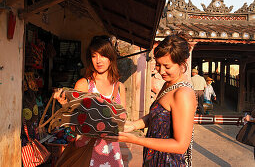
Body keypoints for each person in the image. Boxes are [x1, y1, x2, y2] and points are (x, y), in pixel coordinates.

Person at [105, 33, 197, 166]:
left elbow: (180, 145)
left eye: (167, 66)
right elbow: (156, 116)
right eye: (158, 65)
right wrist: (132, 125)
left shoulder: (183, 93)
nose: (161, 71)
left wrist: (136, 140)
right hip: (154, 157)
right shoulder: (169, 84)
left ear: (182, 64)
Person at [54, 35, 126, 166]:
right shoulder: (84, 85)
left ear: (111, 57)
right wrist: (66, 105)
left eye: (103, 55)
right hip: (86, 150)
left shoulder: (120, 87)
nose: (98, 61)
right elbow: (74, 123)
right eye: (94, 56)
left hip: (112, 152)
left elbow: (122, 123)